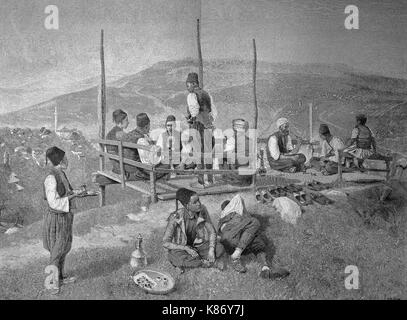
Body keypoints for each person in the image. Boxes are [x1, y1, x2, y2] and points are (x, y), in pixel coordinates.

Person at [218, 194, 290, 279]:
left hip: (236, 246)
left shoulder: (227, 220)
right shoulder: (229, 216)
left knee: (255, 238)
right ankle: (238, 255)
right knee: (254, 222)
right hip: (232, 239)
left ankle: (265, 269)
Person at [43, 146, 84, 294]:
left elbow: (66, 193)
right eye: (64, 158)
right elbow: (54, 203)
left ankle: (60, 277)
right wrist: (73, 196)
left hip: (65, 216)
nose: (67, 160)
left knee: (64, 248)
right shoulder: (51, 178)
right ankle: (52, 283)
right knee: (56, 250)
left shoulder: (61, 174)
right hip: (57, 218)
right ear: (59, 160)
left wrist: (77, 192)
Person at [162, 188, 225, 273]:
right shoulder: (175, 217)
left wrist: (211, 249)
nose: (199, 204)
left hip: (198, 245)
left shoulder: (202, 210)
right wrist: (186, 248)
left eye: (198, 200)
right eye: (195, 202)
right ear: (187, 205)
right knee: (175, 256)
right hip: (182, 248)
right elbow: (165, 242)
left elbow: (212, 231)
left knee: (219, 248)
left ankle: (191, 261)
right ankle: (204, 263)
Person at [185, 72, 217, 188]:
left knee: (198, 155)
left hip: (197, 127)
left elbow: (194, 112)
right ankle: (210, 180)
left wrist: (190, 119)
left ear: (194, 84)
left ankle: (201, 182)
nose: (187, 88)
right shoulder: (207, 94)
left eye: (188, 85)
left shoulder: (191, 96)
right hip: (208, 127)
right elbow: (214, 112)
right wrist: (208, 122)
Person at [121, 113, 168, 180]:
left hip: (127, 170)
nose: (149, 129)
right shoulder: (141, 140)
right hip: (138, 173)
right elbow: (148, 162)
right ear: (146, 126)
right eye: (149, 126)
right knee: (167, 163)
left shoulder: (128, 135)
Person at [106, 109, 129, 174]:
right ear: (120, 121)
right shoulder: (120, 134)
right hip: (120, 167)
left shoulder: (111, 132)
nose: (128, 122)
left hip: (115, 165)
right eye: (126, 120)